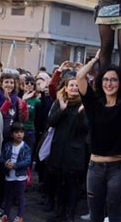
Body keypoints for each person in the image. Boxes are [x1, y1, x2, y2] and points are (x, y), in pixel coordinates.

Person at [76, 50, 121, 222]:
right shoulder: (93, 105)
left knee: (115, 217)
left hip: (119, 169)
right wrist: (96, 59)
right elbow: (79, 76)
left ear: (120, 83)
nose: (109, 83)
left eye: (113, 79)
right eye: (106, 79)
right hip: (95, 168)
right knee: (96, 217)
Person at [46, 77, 89, 222]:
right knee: (59, 183)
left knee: (73, 185)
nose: (74, 88)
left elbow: (85, 129)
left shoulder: (85, 105)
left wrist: (80, 114)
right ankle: (59, 210)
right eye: (71, 85)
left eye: (77, 86)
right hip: (59, 150)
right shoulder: (60, 103)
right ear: (65, 87)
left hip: (75, 152)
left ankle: (71, 213)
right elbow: (51, 122)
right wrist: (62, 110)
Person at [0, 122, 31, 222]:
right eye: (16, 132)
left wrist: (15, 165)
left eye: (21, 132)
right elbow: (1, 158)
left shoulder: (25, 147)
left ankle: (20, 216)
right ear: (12, 134)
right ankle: (5, 215)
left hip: (20, 177)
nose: (19, 134)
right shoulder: (7, 146)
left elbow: (27, 161)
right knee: (8, 197)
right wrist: (5, 163)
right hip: (9, 176)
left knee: (20, 197)